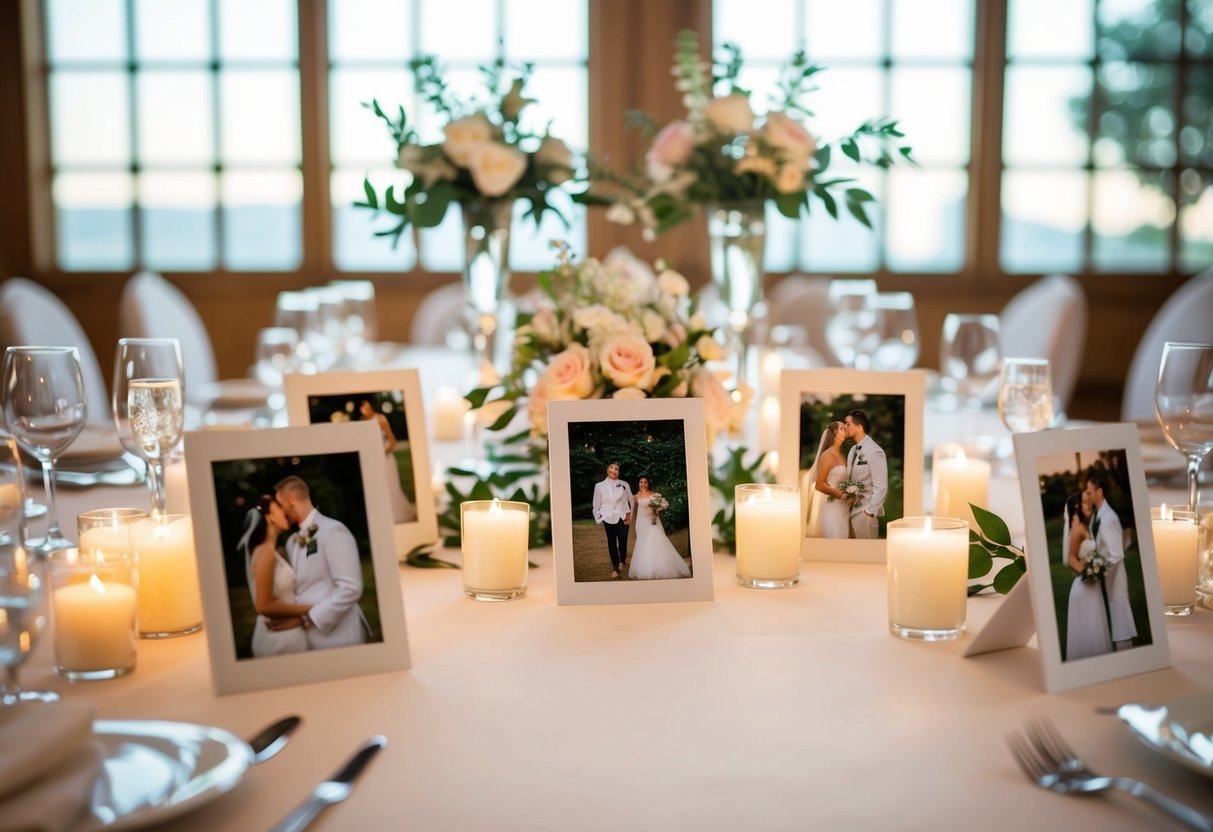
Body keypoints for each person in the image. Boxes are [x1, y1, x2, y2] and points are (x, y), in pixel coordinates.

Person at [274, 475, 369, 649]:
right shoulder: (292, 542)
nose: (279, 511)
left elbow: (350, 588)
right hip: (312, 638)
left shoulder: (333, 530)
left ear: (292, 500)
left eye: (280, 505)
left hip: (341, 634)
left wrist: (305, 619)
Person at [237, 495, 311, 657]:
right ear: (270, 517)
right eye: (278, 507)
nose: (284, 510)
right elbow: (263, 605)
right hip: (280, 640)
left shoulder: (271, 552)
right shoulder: (266, 553)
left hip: (286, 633)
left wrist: (301, 619)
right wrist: (311, 609)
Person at [1086, 470, 1136, 650]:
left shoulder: (1108, 519)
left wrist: (1099, 571)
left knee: (1120, 617)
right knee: (1112, 619)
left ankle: (1127, 657)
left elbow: (1116, 553)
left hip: (1114, 579)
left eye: (1090, 492)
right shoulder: (1098, 515)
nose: (1088, 495)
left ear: (1099, 492)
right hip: (1107, 579)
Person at [1063, 490, 1112, 661]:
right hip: (1084, 587)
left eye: (1086, 502)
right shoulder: (1077, 527)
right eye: (1083, 503)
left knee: (1095, 627)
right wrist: (1089, 571)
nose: (1087, 505)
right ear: (1075, 508)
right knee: (1088, 629)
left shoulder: (1086, 525)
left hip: (1092, 585)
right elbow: (1070, 558)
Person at [360, 399, 416, 524]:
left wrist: (382, 451)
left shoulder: (380, 419)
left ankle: (396, 514)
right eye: (362, 408)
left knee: (389, 486)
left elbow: (393, 442)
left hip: (386, 459)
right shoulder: (363, 421)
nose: (364, 410)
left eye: (366, 407)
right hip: (372, 460)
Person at [627, 476, 691, 580]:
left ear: (648, 484)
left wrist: (658, 509)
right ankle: (645, 566)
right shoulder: (636, 496)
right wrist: (630, 519)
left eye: (645, 482)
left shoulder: (654, 495)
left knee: (656, 539)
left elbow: (663, 504)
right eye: (641, 482)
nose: (643, 484)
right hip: (641, 522)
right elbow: (633, 510)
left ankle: (659, 567)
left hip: (653, 521)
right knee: (643, 543)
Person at [843, 410, 888, 539]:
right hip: (850, 511)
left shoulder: (875, 451)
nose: (845, 427)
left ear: (859, 427)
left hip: (865, 513)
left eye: (847, 424)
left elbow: (881, 486)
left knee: (869, 553)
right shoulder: (853, 450)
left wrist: (869, 511)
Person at [802, 421, 851, 539]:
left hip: (844, 507)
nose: (846, 430)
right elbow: (819, 484)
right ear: (835, 432)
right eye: (842, 428)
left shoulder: (842, 455)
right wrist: (841, 495)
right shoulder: (827, 455)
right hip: (832, 507)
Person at [592, 462, 632, 579]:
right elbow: (596, 503)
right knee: (612, 541)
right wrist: (599, 516)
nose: (614, 471)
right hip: (607, 516)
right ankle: (615, 567)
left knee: (623, 539)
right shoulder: (599, 486)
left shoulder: (624, 484)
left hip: (622, 515)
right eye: (612, 468)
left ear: (619, 472)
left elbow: (628, 501)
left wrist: (629, 515)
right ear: (607, 469)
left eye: (617, 469)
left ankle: (623, 559)